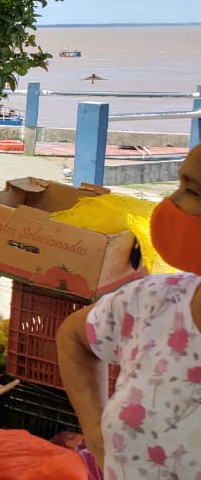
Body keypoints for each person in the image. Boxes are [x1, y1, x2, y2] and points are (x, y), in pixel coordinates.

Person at [57, 145, 201, 479]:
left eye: (192, 191)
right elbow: (73, 337)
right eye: (180, 185)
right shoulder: (152, 302)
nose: (172, 204)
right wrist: (96, 434)